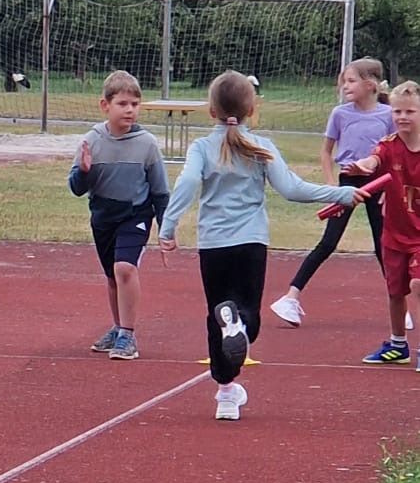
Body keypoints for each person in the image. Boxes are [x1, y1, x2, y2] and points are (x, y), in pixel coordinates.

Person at [160, 70, 355, 422]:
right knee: (247, 314)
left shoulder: (201, 147)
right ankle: (237, 327)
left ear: (211, 111)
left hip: (213, 245)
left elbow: (187, 182)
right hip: (251, 243)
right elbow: (292, 189)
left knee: (216, 316)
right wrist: (339, 192)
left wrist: (168, 226)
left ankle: (225, 392)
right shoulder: (261, 146)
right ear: (252, 110)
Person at [270, 58, 391, 334]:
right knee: (328, 242)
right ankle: (291, 296)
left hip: (378, 184)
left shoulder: (387, 115)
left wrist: (389, 189)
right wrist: (331, 187)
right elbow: (326, 151)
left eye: (351, 81)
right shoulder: (340, 114)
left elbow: (394, 154)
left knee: (382, 245)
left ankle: (399, 304)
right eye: (343, 81)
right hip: (347, 183)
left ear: (370, 85)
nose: (345, 86)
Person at [66, 69, 170, 361]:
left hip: (135, 214)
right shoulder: (92, 140)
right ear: (105, 105)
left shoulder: (147, 143)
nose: (129, 110)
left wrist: (165, 228)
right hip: (103, 217)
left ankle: (128, 333)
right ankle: (117, 326)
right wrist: (84, 171)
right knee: (113, 275)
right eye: (122, 104)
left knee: (124, 267)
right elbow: (76, 188)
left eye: (134, 104)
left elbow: (161, 191)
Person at [343, 80, 420, 369]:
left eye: (410, 111)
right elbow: (373, 160)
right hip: (395, 232)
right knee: (395, 291)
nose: (402, 117)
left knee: (418, 283)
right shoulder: (388, 145)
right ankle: (398, 344)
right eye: (397, 111)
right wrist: (362, 166)